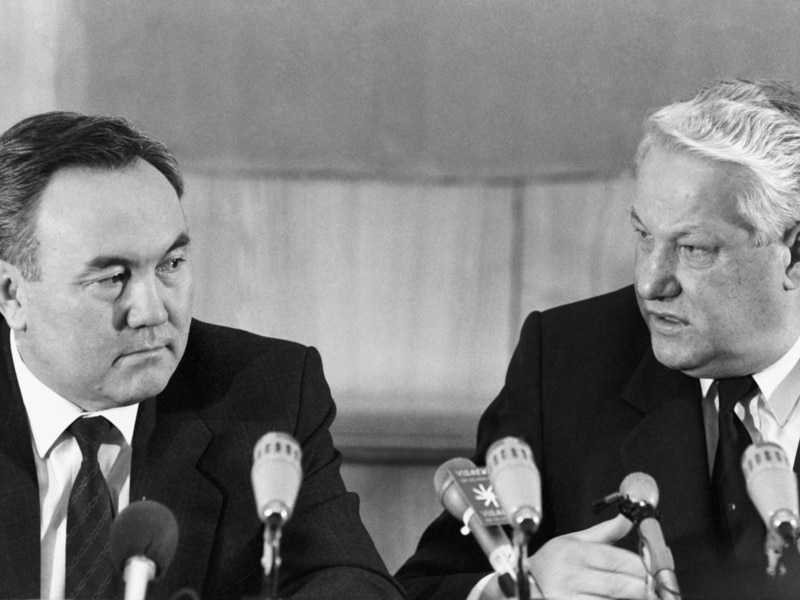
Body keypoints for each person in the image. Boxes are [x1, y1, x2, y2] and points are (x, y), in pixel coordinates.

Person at [396, 77, 800, 600]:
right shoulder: (569, 359)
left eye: (694, 248)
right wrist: (514, 591)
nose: (651, 283)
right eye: (644, 235)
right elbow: (421, 588)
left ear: (793, 254)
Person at [0, 111, 405, 600]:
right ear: (12, 295)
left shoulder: (265, 394)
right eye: (112, 278)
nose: (152, 311)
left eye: (171, 264)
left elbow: (350, 582)